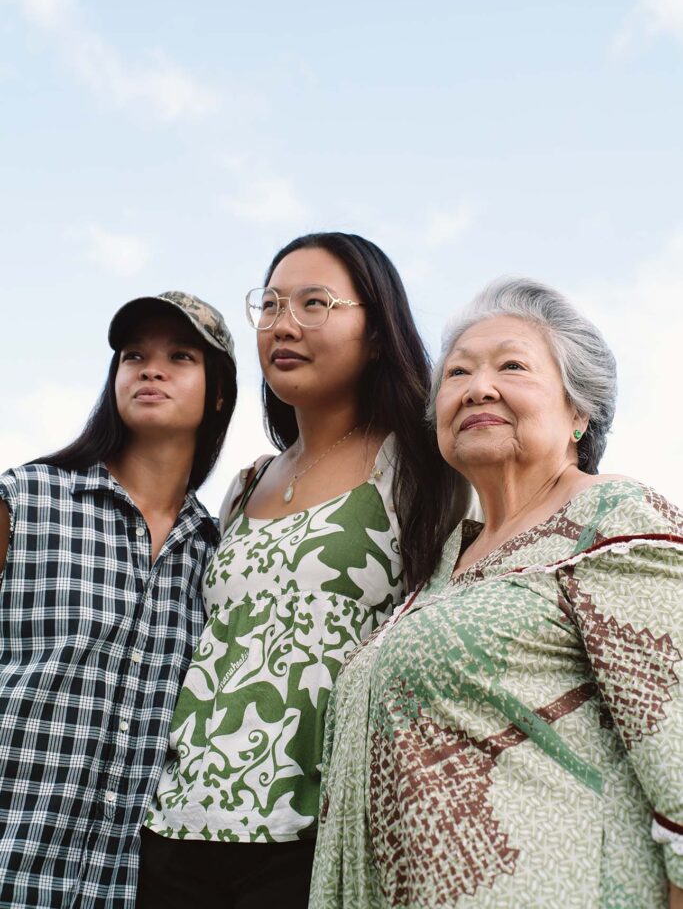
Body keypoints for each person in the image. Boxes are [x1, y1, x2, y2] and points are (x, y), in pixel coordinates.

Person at [311, 276, 683, 909]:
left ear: (579, 412)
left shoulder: (615, 517)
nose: (478, 387)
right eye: (457, 373)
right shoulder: (443, 564)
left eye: (512, 365)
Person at [138, 233, 469, 909]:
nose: (283, 324)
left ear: (376, 333)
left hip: (316, 837)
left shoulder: (422, 470)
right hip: (177, 824)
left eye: (314, 303)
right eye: (270, 304)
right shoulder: (245, 485)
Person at [0, 291, 237, 909]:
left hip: (129, 886)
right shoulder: (26, 500)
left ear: (217, 394)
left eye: (180, 356)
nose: (150, 369)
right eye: (133, 356)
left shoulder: (222, 557)